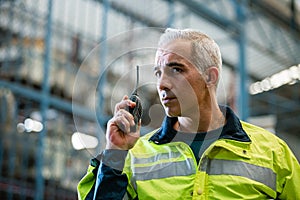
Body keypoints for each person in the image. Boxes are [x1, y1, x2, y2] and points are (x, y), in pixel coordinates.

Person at [77, 28, 300, 200]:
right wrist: (114, 153)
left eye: (176, 69)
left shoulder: (273, 153)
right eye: (158, 73)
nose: (162, 84)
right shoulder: (133, 156)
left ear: (210, 77)